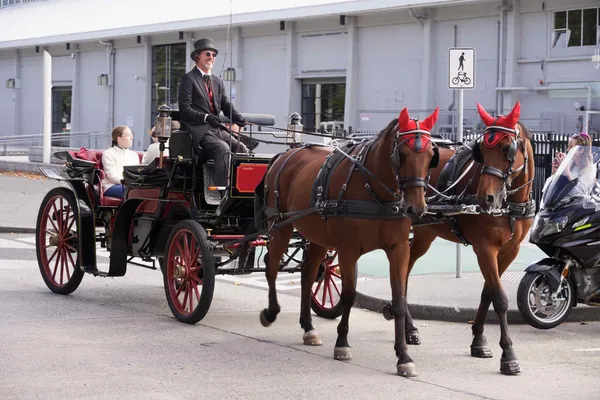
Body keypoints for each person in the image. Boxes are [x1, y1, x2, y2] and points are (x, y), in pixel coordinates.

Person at [178, 37, 248, 190]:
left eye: (214, 55)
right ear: (198, 56)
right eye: (208, 54)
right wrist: (205, 117)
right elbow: (185, 109)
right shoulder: (188, 79)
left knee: (241, 147)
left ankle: (241, 190)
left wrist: (238, 117)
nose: (211, 57)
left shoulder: (217, 81)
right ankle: (223, 194)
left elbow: (225, 103)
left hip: (215, 129)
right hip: (197, 130)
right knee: (222, 149)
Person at [101, 125, 140, 198]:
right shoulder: (108, 153)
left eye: (132, 135)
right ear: (119, 138)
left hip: (130, 185)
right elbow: (111, 176)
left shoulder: (134, 155)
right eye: (128, 135)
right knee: (132, 190)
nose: (132, 138)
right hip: (111, 185)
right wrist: (127, 182)